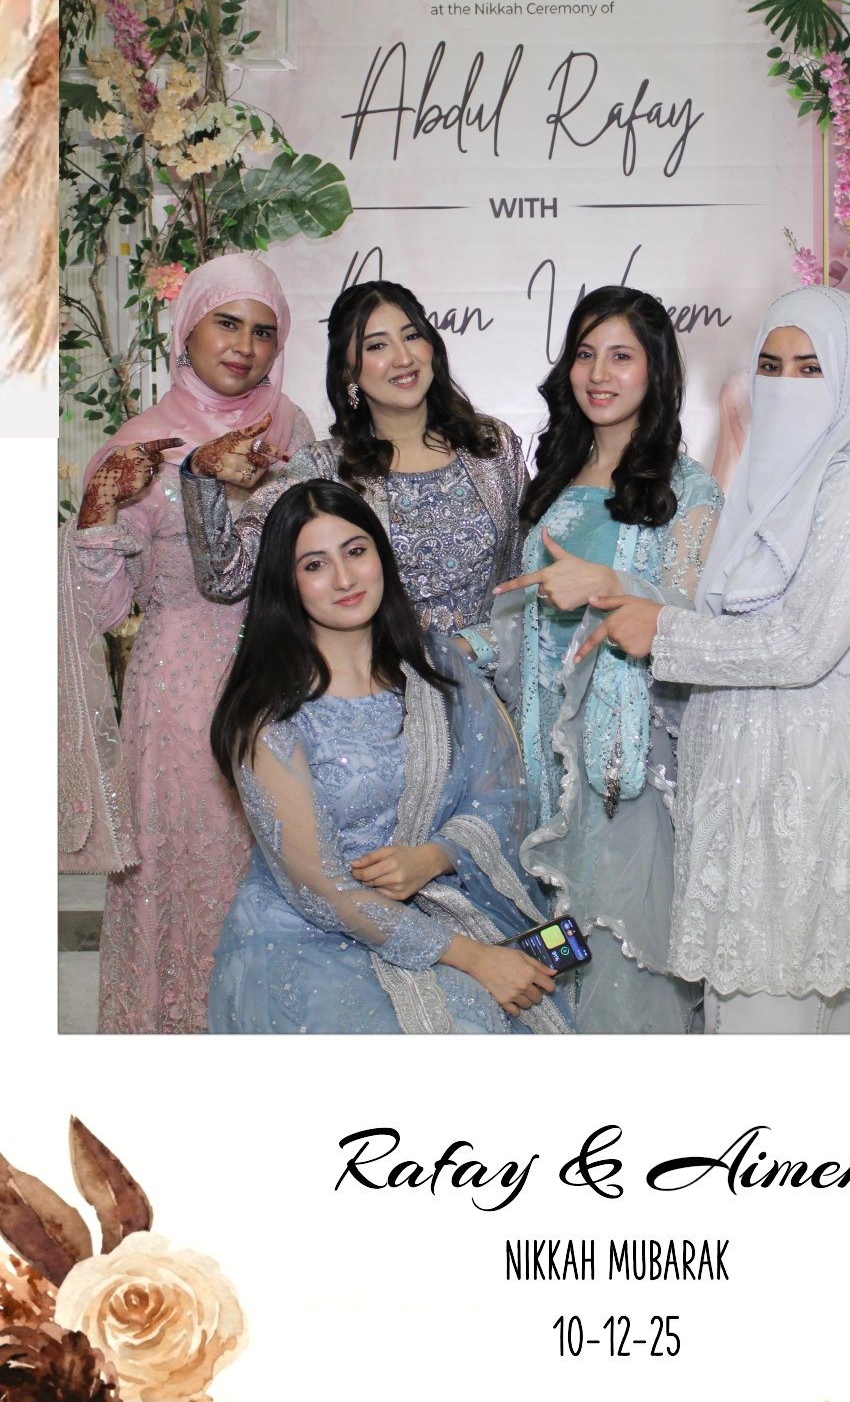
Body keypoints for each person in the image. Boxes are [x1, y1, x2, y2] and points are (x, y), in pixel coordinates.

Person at [579, 286, 850, 1035]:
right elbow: (724, 620)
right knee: (765, 1024)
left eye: (810, 368)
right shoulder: (766, 493)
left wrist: (662, 632)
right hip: (747, 782)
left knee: (767, 1028)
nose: (785, 386)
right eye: (770, 366)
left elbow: (803, 643)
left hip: (810, 782)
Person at [208, 480, 573, 1035]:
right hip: (310, 939)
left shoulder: (436, 671)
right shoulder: (270, 715)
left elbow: (500, 797)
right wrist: (474, 958)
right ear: (286, 583)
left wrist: (435, 856)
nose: (345, 578)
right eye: (315, 565)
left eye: (356, 551)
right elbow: (321, 890)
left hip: (440, 900)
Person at [58, 253, 313, 1033]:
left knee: (286, 873)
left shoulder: (291, 427)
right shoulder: (144, 445)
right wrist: (100, 511)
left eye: (263, 332)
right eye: (226, 323)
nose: (244, 346)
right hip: (181, 700)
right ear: (188, 329)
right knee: (187, 881)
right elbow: (103, 607)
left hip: (287, 687)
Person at [469, 286, 722, 1035]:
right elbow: (523, 621)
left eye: (621, 356)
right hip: (541, 760)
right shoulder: (553, 481)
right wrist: (450, 650)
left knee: (617, 948)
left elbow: (695, 626)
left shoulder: (687, 490)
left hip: (624, 771)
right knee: (553, 946)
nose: (599, 374)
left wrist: (612, 585)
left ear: (656, 371)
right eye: (585, 355)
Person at [181, 279, 525, 633]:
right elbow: (226, 578)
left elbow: (526, 575)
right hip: (379, 668)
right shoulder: (324, 468)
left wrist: (482, 649)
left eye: (411, 336)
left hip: (491, 666)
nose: (404, 358)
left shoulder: (490, 445)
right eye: (377, 346)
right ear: (347, 371)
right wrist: (201, 473)